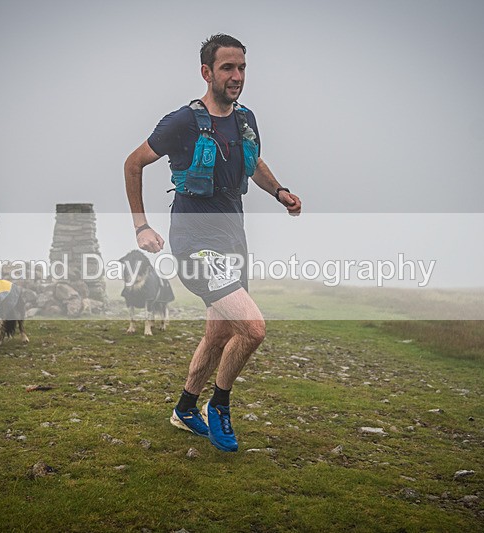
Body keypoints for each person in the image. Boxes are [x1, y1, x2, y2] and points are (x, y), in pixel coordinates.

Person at [124, 34, 302, 452]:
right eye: (227, 68)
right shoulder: (182, 123)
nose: (236, 76)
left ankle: (186, 407)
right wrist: (141, 227)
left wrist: (279, 192)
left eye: (241, 67)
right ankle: (219, 404)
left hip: (232, 239)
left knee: (219, 331)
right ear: (207, 72)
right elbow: (133, 164)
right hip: (194, 243)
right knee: (253, 329)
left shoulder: (245, 119)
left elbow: (252, 162)